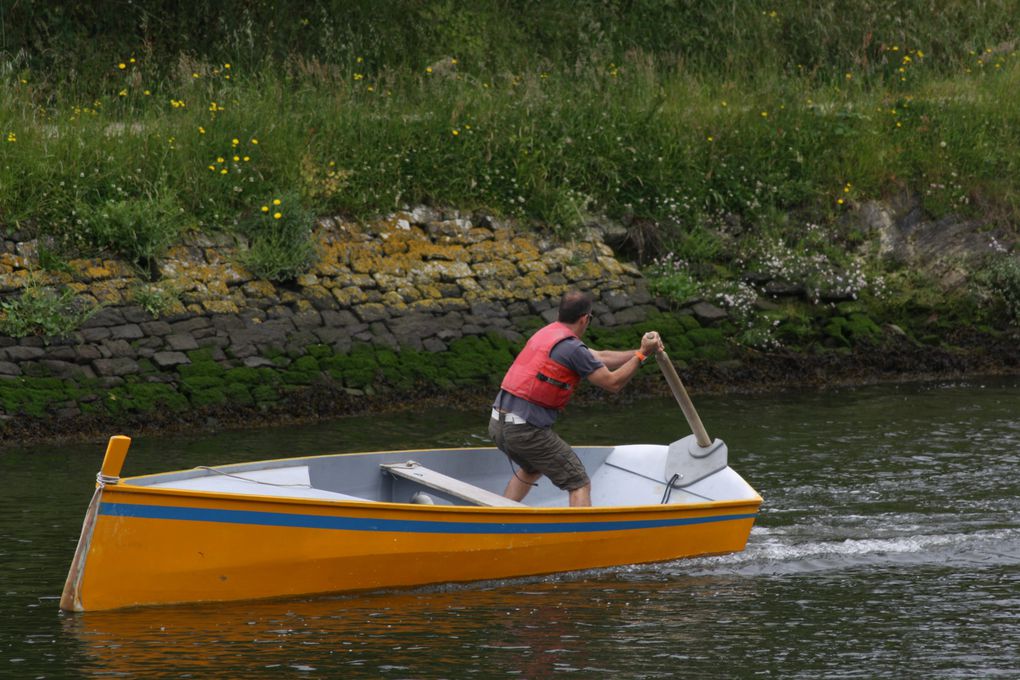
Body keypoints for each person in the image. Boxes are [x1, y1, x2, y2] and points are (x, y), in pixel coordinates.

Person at [489, 291, 664, 507]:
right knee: (579, 482)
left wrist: (643, 351)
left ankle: (501, 520)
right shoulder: (572, 348)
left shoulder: (549, 333)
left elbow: (601, 357)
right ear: (585, 319)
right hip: (525, 431)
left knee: (531, 469)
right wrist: (639, 357)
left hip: (498, 424)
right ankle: (581, 536)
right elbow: (612, 383)